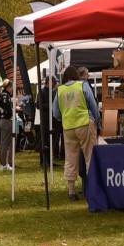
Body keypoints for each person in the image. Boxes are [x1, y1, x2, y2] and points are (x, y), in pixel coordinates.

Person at [53, 66, 101, 201]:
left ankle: (71, 191)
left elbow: (55, 113)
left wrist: (65, 117)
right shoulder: (82, 85)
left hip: (68, 127)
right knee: (89, 156)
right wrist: (97, 120)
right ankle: (91, 190)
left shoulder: (60, 90)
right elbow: (93, 105)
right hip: (85, 124)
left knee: (70, 159)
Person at [0, 80, 15, 171]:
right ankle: (4, 164)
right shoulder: (5, 95)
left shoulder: (1, 95)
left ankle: (5, 163)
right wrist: (13, 111)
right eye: (12, 87)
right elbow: (7, 108)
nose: (12, 89)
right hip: (7, 121)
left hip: (3, 120)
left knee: (6, 143)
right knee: (5, 143)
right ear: (8, 87)